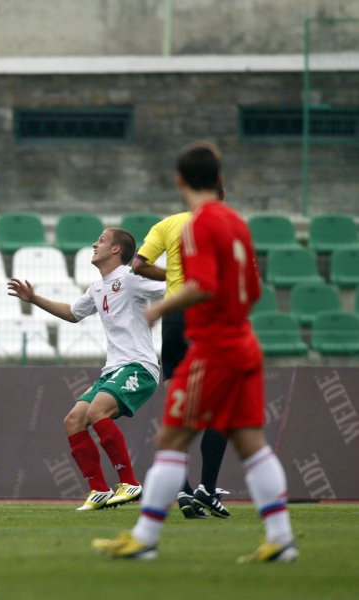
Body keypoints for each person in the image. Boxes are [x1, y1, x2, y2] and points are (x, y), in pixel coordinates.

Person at [93, 141, 297, 563]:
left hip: (211, 344)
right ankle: (281, 540)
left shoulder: (196, 226)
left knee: (171, 436)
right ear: (220, 184)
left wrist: (161, 308)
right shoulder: (237, 223)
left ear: (180, 180)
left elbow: (201, 285)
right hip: (242, 340)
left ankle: (145, 537)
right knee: (251, 442)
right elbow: (253, 289)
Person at [9, 227, 165, 511]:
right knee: (73, 420)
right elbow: (72, 314)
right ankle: (99, 489)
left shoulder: (131, 279)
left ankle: (129, 483)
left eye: (102, 240)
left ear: (116, 249)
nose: (95, 244)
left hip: (139, 366)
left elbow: (169, 285)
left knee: (96, 412)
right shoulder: (97, 287)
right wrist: (34, 299)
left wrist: (190, 274)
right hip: (114, 370)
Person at [132, 207, 231, 519]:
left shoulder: (167, 223)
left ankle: (183, 490)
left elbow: (137, 265)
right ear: (223, 195)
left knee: (179, 408)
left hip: (174, 321)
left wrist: (172, 275)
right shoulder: (227, 226)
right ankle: (207, 488)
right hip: (207, 318)